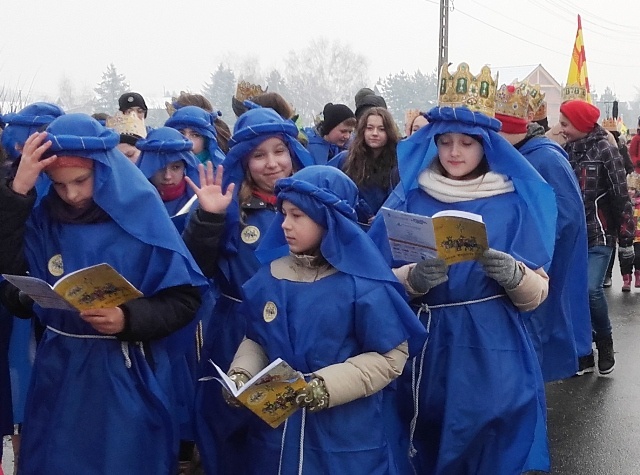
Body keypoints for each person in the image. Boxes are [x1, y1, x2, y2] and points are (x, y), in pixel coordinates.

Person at [369, 71, 556, 473]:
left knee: (492, 434)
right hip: (425, 342)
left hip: (492, 341)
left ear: (485, 146)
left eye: (466, 143)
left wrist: (514, 274)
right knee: (425, 434)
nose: (454, 152)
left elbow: (538, 292)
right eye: (445, 141)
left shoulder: (512, 201)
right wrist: (411, 281)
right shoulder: (411, 197)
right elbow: (375, 279)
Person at [0, 113, 207, 474]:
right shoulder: (43, 217)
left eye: (81, 180)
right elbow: (11, 273)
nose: (72, 194)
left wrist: (128, 318)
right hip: (58, 374)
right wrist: (18, 193)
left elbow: (184, 299)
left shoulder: (141, 216)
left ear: (104, 169)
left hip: (127, 372)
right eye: (59, 184)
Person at [222, 165, 426, 474]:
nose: (284, 225)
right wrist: (241, 374)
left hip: (345, 431)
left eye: (297, 216)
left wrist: (325, 385)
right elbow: (256, 338)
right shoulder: (270, 277)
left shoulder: (362, 285)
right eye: (284, 214)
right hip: (280, 430)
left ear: (327, 219)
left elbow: (390, 356)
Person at [183, 107, 314, 475]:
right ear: (245, 160)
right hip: (235, 332)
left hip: (299, 331)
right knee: (230, 430)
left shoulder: (314, 202)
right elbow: (194, 269)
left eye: (279, 151)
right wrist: (207, 219)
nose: (272, 164)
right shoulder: (228, 206)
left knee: (288, 434)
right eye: (259, 155)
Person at [495, 82, 592, 381]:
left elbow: (567, 218)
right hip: (515, 263)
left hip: (538, 264)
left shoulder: (545, 159)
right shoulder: (519, 154)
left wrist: (533, 252)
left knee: (535, 337)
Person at [559, 99, 635, 374]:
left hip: (599, 234)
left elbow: (620, 194)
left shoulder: (606, 149)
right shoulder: (565, 151)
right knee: (572, 294)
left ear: (580, 124)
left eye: (566, 124)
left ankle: (604, 339)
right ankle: (583, 350)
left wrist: (626, 237)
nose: (562, 128)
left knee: (591, 289)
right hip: (572, 236)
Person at [328, 107, 400, 228]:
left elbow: (398, 198)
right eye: (370, 128)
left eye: (381, 129)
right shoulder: (345, 159)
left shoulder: (397, 164)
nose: (375, 133)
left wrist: (381, 217)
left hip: (382, 230)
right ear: (363, 130)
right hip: (349, 227)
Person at [136, 126, 201, 218]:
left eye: (175, 167)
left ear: (185, 167)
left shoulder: (201, 201)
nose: (167, 176)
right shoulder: (131, 203)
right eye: (159, 167)